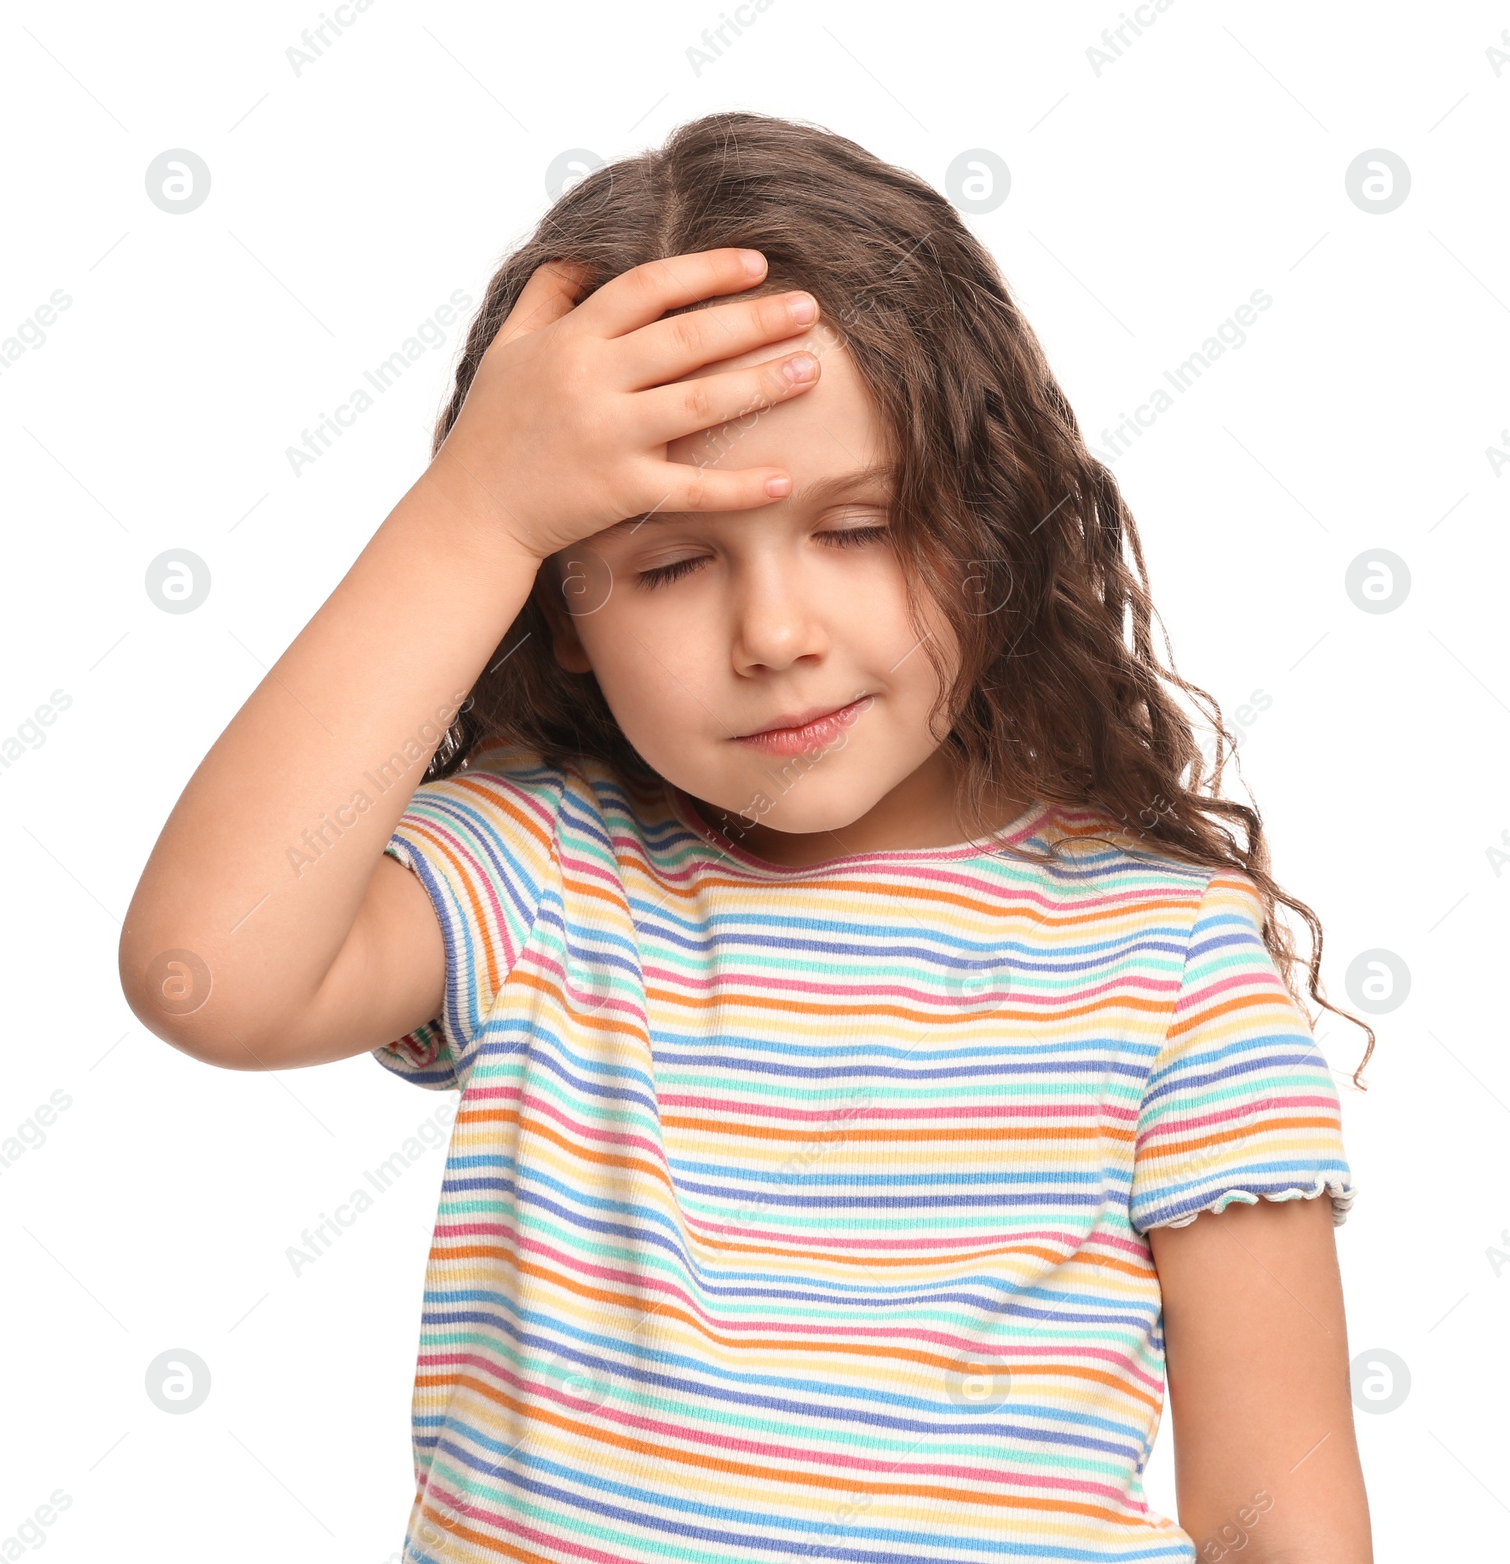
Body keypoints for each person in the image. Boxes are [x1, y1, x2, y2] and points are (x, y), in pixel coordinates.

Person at [121, 110, 1375, 1564]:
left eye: (857, 529)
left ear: (989, 525)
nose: (775, 636)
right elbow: (203, 971)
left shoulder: (1165, 957)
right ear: (559, 609)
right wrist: (473, 508)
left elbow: (1277, 1511)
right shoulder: (542, 872)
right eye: (666, 562)